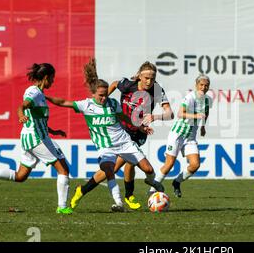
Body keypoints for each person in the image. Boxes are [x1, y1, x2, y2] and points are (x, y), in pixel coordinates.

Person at [45, 58, 165, 212]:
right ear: (94, 94)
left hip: (124, 142)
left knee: (148, 170)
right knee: (110, 170)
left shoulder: (113, 104)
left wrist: (141, 127)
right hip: (105, 146)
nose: (104, 98)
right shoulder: (86, 105)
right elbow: (63, 102)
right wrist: (45, 98)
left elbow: (124, 117)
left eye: (105, 95)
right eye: (101, 95)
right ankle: (121, 201)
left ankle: (83, 190)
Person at [0, 63, 73, 214]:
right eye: (52, 78)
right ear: (46, 77)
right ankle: (62, 207)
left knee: (21, 176)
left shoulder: (40, 94)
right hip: (36, 139)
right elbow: (21, 106)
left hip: (31, 137)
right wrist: (21, 115)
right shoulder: (34, 92)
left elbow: (37, 119)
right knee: (64, 170)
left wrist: (54, 131)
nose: (53, 81)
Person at [149, 74, 212, 197]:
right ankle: (152, 190)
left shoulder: (207, 100)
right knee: (169, 164)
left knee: (195, 165)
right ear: (196, 85)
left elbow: (206, 112)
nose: (203, 88)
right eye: (201, 85)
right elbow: (180, 114)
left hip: (190, 137)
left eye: (206, 85)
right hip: (178, 134)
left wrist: (203, 127)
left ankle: (176, 182)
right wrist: (196, 116)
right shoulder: (190, 97)